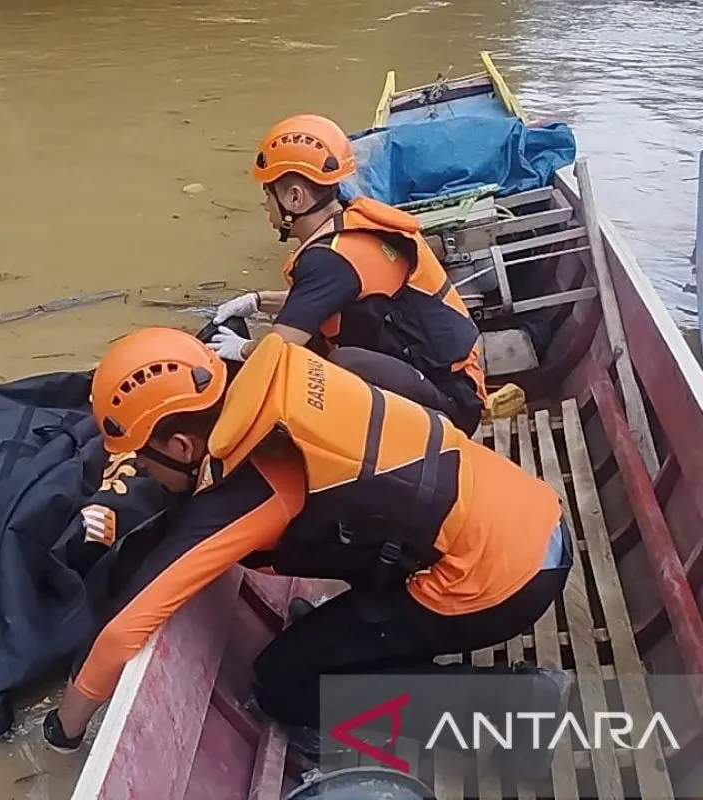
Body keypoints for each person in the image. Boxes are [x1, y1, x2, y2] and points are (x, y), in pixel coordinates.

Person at [42, 327, 571, 780]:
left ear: (182, 446)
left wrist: (63, 732)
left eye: (142, 461)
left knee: (283, 685)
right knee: (332, 618)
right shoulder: (285, 379)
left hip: (499, 582)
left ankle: (517, 706)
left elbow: (127, 626)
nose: (143, 474)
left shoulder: (258, 481)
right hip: (529, 513)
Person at [205, 114, 489, 436]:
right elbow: (319, 302)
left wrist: (241, 349)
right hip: (445, 379)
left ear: (294, 198)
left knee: (331, 364)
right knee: (317, 348)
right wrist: (257, 301)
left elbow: (277, 350)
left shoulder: (329, 261)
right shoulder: (347, 228)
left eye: (268, 197)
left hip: (451, 405)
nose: (266, 208)